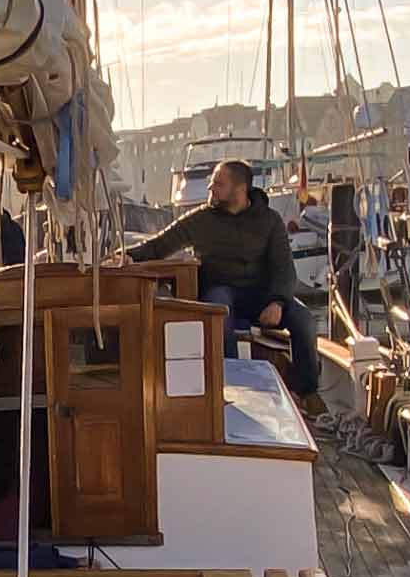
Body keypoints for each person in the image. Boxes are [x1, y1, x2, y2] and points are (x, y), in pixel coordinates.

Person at [125, 157, 321, 398]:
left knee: (304, 320)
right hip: (221, 290)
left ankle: (305, 393)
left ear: (240, 189)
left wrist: (278, 302)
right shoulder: (201, 219)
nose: (210, 187)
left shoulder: (269, 221)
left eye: (218, 183)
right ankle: (231, 387)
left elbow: (284, 269)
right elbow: (158, 246)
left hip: (261, 296)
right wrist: (126, 256)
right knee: (219, 310)